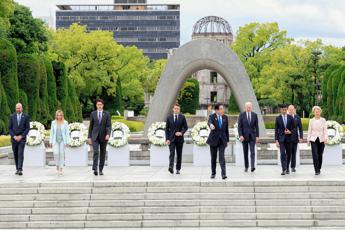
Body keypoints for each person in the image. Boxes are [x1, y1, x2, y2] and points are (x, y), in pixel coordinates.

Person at [88, 99, 111, 176]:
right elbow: (91, 126)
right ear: (96, 105)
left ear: (103, 105)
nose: (99, 106)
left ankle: (100, 169)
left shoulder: (107, 114)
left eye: (101, 104)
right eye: (98, 104)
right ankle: (95, 168)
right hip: (95, 136)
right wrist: (89, 137)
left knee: (102, 153)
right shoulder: (93, 114)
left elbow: (108, 125)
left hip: (104, 136)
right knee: (96, 152)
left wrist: (108, 134)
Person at [207, 104, 229, 180]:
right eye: (221, 109)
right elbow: (209, 122)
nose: (223, 110)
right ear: (217, 110)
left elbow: (226, 130)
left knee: (222, 157)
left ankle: (223, 174)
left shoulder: (225, 117)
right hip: (213, 140)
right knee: (213, 158)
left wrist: (227, 140)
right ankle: (213, 173)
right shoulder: (212, 116)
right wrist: (211, 125)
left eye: (223, 109)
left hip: (222, 140)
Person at [165, 103, 188, 174]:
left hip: (180, 139)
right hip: (171, 139)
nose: (176, 110)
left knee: (179, 154)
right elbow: (166, 129)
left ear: (179, 109)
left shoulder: (182, 117)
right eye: (175, 108)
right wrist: (167, 139)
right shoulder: (169, 117)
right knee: (171, 153)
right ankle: (171, 167)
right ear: (173, 109)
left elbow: (186, 127)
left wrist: (181, 132)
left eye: (177, 109)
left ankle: (178, 169)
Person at [8, 103, 30, 176]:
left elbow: (27, 128)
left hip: (22, 139)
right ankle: (17, 168)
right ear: (15, 108)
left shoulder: (26, 116)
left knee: (20, 153)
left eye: (19, 108)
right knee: (15, 154)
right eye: (17, 108)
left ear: (22, 108)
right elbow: (9, 128)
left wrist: (21, 136)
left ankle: (20, 169)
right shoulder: (12, 116)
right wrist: (14, 136)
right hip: (14, 139)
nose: (18, 109)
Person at [238, 102, 259, 172]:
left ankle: (252, 166)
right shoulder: (241, 115)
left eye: (250, 107)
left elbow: (257, 127)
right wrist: (240, 135)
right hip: (244, 136)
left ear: (251, 107)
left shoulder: (255, 115)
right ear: (245, 107)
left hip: (252, 136)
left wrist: (257, 136)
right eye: (247, 107)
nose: (248, 108)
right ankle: (246, 166)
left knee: (252, 152)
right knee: (245, 152)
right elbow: (239, 127)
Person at [275, 104, 295, 175]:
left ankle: (287, 167)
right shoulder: (278, 118)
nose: (284, 111)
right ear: (281, 110)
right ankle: (283, 169)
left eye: (285, 109)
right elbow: (276, 130)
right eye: (283, 109)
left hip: (289, 139)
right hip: (281, 139)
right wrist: (276, 140)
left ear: (286, 110)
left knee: (289, 154)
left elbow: (294, 128)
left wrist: (290, 132)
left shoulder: (290, 118)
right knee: (282, 154)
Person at [307, 106, 328, 175]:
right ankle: (316, 170)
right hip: (313, 139)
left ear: (320, 112)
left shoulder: (323, 120)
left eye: (318, 112)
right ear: (314, 112)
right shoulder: (311, 120)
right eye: (316, 112)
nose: (317, 113)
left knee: (320, 154)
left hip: (321, 139)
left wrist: (326, 138)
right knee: (315, 154)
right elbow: (309, 130)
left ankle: (319, 167)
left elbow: (325, 130)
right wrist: (308, 139)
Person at [49, 110, 69, 175]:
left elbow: (67, 133)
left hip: (63, 141)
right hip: (55, 141)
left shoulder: (65, 122)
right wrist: (50, 141)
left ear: (62, 115)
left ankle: (61, 168)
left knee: (61, 154)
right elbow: (52, 132)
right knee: (56, 153)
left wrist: (67, 142)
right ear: (56, 115)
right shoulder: (53, 122)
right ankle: (57, 165)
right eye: (58, 115)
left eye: (60, 115)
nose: (59, 116)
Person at [287, 105, 303, 173]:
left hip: (295, 138)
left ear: (294, 110)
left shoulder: (297, 117)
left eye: (292, 109)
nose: (291, 111)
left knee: (294, 153)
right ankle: (286, 167)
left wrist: (301, 137)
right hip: (287, 139)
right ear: (288, 110)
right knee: (288, 153)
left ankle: (293, 167)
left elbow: (300, 128)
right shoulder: (285, 117)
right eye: (290, 110)